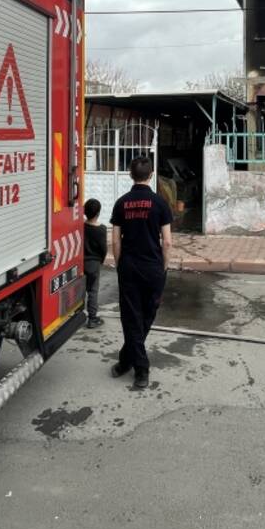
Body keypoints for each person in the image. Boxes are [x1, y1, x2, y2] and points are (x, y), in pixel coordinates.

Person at [109, 156, 173, 390]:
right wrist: (164, 267)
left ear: (129, 174)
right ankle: (141, 369)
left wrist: (119, 264)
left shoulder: (121, 203)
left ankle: (127, 360)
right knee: (146, 316)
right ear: (151, 175)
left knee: (131, 317)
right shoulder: (159, 203)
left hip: (129, 266)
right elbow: (167, 242)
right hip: (153, 267)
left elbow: (115, 241)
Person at [82, 198, 107, 329]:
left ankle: (78, 315)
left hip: (80, 263)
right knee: (92, 291)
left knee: (80, 289)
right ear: (98, 213)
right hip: (93, 263)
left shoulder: (80, 226)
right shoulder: (101, 229)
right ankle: (92, 319)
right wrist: (101, 260)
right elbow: (103, 249)